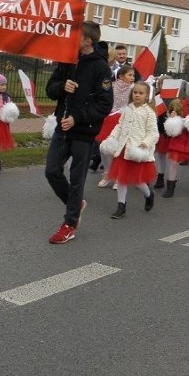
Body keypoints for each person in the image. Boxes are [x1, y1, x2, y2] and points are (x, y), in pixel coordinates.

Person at [44, 20, 113, 244]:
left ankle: (69, 224)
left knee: (76, 181)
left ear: (88, 40)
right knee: (52, 171)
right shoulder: (67, 59)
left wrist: (78, 117)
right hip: (62, 127)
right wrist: (63, 85)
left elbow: (105, 104)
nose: (71, 37)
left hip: (83, 131)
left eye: (76, 35)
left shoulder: (101, 68)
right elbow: (50, 89)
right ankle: (77, 204)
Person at [103, 81, 159, 218]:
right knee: (121, 177)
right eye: (135, 92)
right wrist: (112, 138)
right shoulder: (127, 109)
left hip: (136, 151)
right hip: (123, 149)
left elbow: (153, 133)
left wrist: (145, 143)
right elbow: (119, 126)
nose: (137, 95)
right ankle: (121, 206)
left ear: (147, 96)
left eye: (141, 93)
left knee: (137, 180)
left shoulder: (149, 113)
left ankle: (148, 194)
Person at [94, 64, 135, 189]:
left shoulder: (134, 89)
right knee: (104, 148)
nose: (132, 77)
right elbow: (101, 94)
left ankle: (118, 176)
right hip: (108, 119)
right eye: (129, 75)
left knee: (118, 150)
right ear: (121, 76)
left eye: (133, 75)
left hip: (122, 121)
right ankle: (107, 174)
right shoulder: (112, 86)